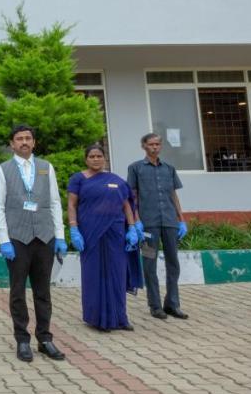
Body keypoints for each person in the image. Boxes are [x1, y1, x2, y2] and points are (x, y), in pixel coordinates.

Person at [0, 124, 68, 363]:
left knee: (43, 291)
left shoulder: (46, 168)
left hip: (44, 237)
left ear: (34, 143)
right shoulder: (2, 170)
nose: (24, 142)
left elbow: (55, 202)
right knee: (17, 292)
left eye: (28, 138)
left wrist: (60, 236)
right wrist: (4, 240)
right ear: (12, 144)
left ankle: (45, 339)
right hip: (17, 239)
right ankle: (22, 340)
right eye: (19, 139)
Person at [66, 144, 142, 332]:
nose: (96, 159)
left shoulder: (116, 180)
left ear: (104, 158)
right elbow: (71, 205)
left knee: (117, 273)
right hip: (90, 234)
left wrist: (132, 228)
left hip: (115, 234)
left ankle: (120, 317)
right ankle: (97, 319)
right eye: (91, 156)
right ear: (86, 159)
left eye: (99, 156)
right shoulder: (78, 179)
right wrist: (74, 229)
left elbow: (126, 205)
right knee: (94, 275)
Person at [127, 132, 189, 320]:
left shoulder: (169, 169)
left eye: (157, 144)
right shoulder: (136, 168)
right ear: (143, 146)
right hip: (147, 225)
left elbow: (173, 195)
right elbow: (132, 196)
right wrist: (136, 220)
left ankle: (172, 303)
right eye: (151, 144)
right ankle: (155, 306)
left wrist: (181, 219)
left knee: (173, 263)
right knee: (149, 264)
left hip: (169, 222)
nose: (154, 147)